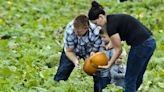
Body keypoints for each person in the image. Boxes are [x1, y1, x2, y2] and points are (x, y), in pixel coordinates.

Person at [88, 1, 156, 92]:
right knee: (137, 76)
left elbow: (118, 49)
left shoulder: (110, 26)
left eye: (96, 23)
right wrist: (108, 47)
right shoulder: (113, 19)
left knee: (129, 79)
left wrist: (109, 64)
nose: (98, 26)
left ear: (100, 17)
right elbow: (116, 40)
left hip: (140, 45)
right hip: (150, 43)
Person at [54, 14, 103, 92]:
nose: (76, 32)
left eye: (78, 31)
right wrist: (75, 61)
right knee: (63, 69)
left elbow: (95, 50)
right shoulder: (70, 30)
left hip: (89, 50)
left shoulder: (97, 31)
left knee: (97, 72)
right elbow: (69, 51)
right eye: (75, 30)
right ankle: (55, 87)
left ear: (86, 28)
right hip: (73, 49)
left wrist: (91, 60)